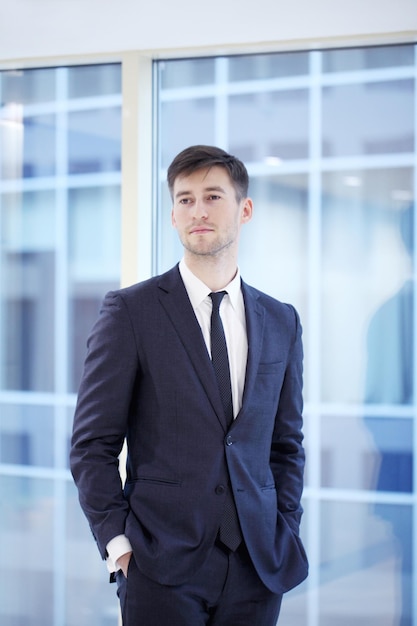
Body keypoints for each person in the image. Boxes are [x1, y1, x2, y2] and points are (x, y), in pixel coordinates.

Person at [70, 145, 308, 626]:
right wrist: (118, 546)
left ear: (244, 210)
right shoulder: (131, 313)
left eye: (213, 196)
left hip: (258, 567)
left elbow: (286, 445)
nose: (197, 210)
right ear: (174, 217)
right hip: (159, 566)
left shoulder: (281, 320)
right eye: (184, 200)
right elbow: (92, 445)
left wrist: (284, 526)